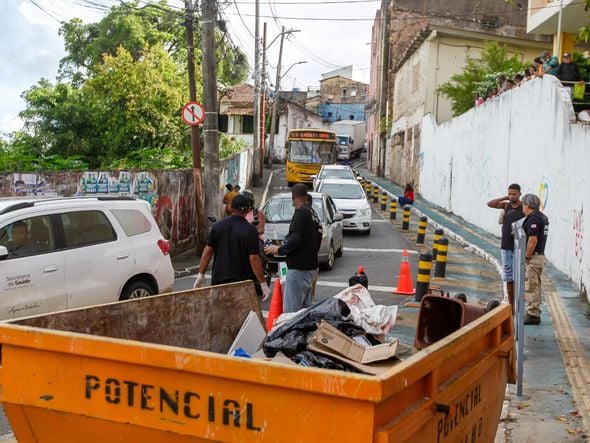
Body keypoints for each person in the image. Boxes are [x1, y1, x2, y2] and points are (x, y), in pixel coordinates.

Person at [194, 194, 271, 300]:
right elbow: (254, 258)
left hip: (219, 282)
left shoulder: (217, 227)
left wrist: (201, 274)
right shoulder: (250, 230)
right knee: (243, 315)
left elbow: (207, 252)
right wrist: (263, 283)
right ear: (247, 210)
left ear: (230, 208)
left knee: (220, 313)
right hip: (242, 284)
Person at [264, 184, 322, 312]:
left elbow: (295, 238)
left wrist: (278, 249)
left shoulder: (301, 212)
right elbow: (316, 242)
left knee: (291, 313)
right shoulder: (315, 215)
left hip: (298, 270)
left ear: (294, 197)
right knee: (305, 313)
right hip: (311, 269)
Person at [487, 184, 525, 312]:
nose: (512, 196)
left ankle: (520, 306)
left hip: (519, 247)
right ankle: (511, 306)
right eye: (510, 193)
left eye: (514, 194)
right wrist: (505, 198)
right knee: (509, 277)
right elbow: (490, 204)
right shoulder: (506, 205)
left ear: (520, 193)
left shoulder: (524, 207)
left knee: (520, 278)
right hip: (506, 246)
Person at [521, 194, 549, 325]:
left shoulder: (534, 219)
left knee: (531, 285)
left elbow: (532, 240)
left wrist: (526, 257)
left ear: (527, 205)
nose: (522, 207)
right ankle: (535, 311)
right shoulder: (542, 217)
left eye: (523, 204)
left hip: (534, 256)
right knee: (536, 285)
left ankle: (533, 314)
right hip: (539, 256)